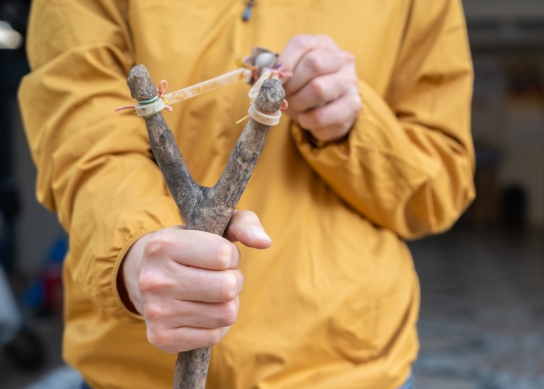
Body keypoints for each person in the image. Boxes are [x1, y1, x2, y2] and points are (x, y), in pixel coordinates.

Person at [18, 0, 475, 387]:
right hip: (136, 370)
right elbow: (82, 129)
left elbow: (438, 190)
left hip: (346, 367)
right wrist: (135, 252)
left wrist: (354, 125)